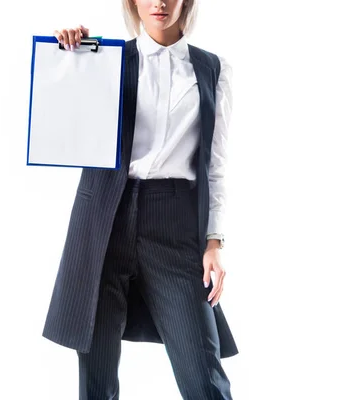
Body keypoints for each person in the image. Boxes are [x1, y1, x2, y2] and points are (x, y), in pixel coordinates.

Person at [43, 1, 239, 398]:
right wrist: (69, 58)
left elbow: (214, 166)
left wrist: (215, 242)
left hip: (175, 220)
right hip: (103, 219)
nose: (160, 3)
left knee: (203, 376)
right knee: (96, 378)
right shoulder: (105, 61)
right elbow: (65, 127)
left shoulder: (213, 70)